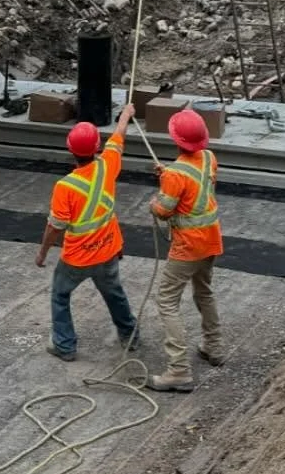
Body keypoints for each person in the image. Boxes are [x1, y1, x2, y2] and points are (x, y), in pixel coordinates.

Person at [35, 103, 139, 361]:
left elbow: (54, 227)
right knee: (114, 293)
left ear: (70, 150)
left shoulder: (65, 187)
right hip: (108, 250)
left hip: (77, 257)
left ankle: (65, 345)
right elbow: (119, 136)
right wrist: (126, 114)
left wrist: (42, 254)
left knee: (60, 295)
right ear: (96, 148)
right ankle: (130, 336)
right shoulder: (108, 165)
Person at [147, 107, 225, 392]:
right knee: (204, 291)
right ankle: (213, 346)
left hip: (188, 245)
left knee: (167, 301)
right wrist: (168, 176)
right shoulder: (209, 158)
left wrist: (155, 200)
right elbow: (192, 187)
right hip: (211, 239)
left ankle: (178, 370)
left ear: (175, 139)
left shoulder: (175, 174)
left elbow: (164, 210)